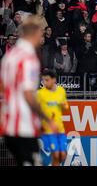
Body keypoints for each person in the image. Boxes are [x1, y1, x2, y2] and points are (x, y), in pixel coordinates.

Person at [0, 16, 58, 166]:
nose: (42, 37)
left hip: (9, 124)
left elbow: (3, 87)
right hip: (23, 126)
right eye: (41, 33)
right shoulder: (28, 58)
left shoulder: (9, 56)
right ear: (33, 33)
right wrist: (46, 118)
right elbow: (27, 94)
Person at [36, 69, 69, 166]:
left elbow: (65, 107)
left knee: (62, 155)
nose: (45, 82)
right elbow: (36, 110)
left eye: (47, 80)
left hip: (60, 129)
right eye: (43, 80)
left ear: (54, 79)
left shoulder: (61, 91)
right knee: (55, 154)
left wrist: (64, 106)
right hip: (47, 130)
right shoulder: (40, 94)